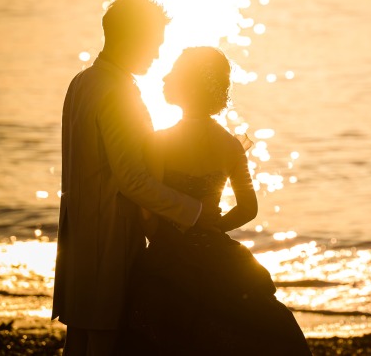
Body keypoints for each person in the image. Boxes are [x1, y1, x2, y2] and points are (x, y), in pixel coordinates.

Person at [52, 0, 218, 356]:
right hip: (110, 237)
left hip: (77, 233)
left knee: (78, 337)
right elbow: (133, 180)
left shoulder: (82, 82)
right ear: (133, 38)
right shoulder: (118, 93)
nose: (157, 54)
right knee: (105, 339)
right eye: (154, 44)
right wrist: (195, 211)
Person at [126, 46, 311, 355]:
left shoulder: (159, 141)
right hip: (216, 252)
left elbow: (148, 208)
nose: (167, 77)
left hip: (167, 253)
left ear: (186, 85)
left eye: (175, 72)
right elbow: (248, 208)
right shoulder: (230, 145)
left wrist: (164, 232)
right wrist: (213, 226)